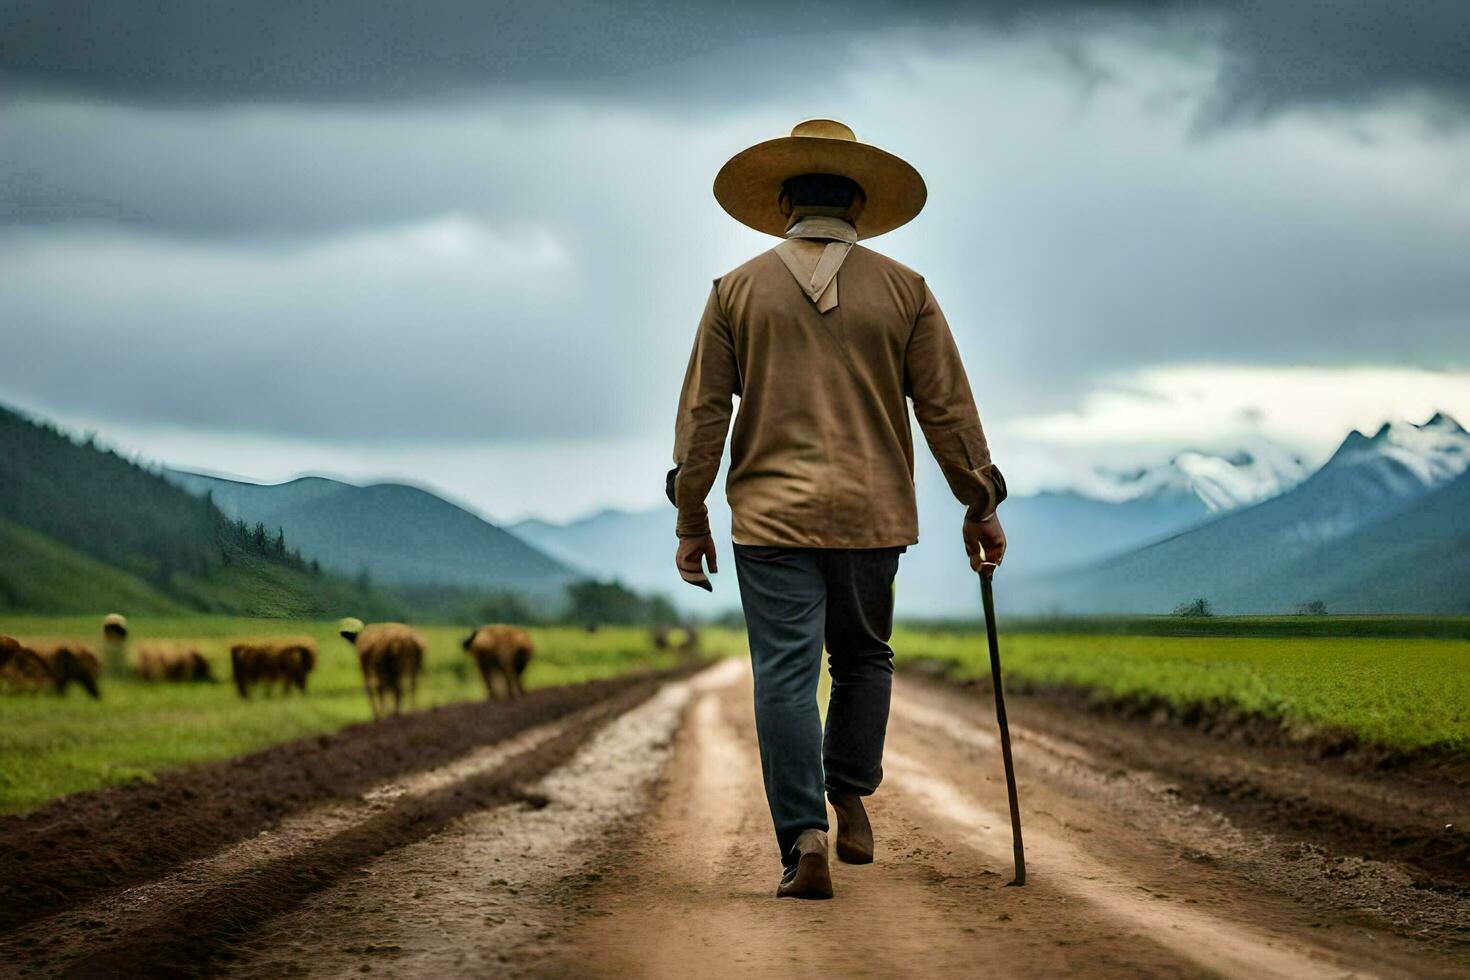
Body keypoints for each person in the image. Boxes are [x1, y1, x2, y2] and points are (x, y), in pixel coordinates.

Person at [668, 119, 1007, 899]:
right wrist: (979, 500)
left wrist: (692, 520)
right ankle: (848, 791)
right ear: (857, 207)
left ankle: (803, 841)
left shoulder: (735, 290)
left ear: (784, 204)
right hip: (872, 512)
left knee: (783, 676)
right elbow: (947, 411)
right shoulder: (906, 290)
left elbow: (703, 418)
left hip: (770, 519)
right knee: (861, 658)